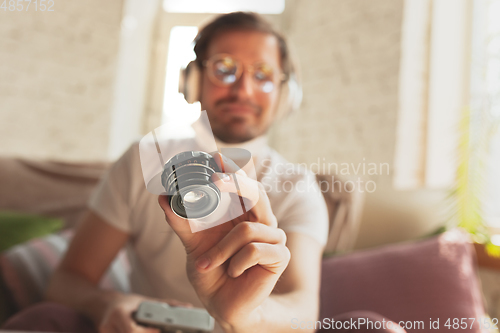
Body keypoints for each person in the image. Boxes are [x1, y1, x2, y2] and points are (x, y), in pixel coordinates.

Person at [2, 11, 404, 333]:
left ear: (285, 95)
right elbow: (67, 280)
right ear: (191, 81)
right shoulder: (144, 160)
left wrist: (241, 317)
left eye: (263, 76)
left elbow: (302, 311)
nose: (243, 90)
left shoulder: (296, 188)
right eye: (224, 68)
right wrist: (108, 302)